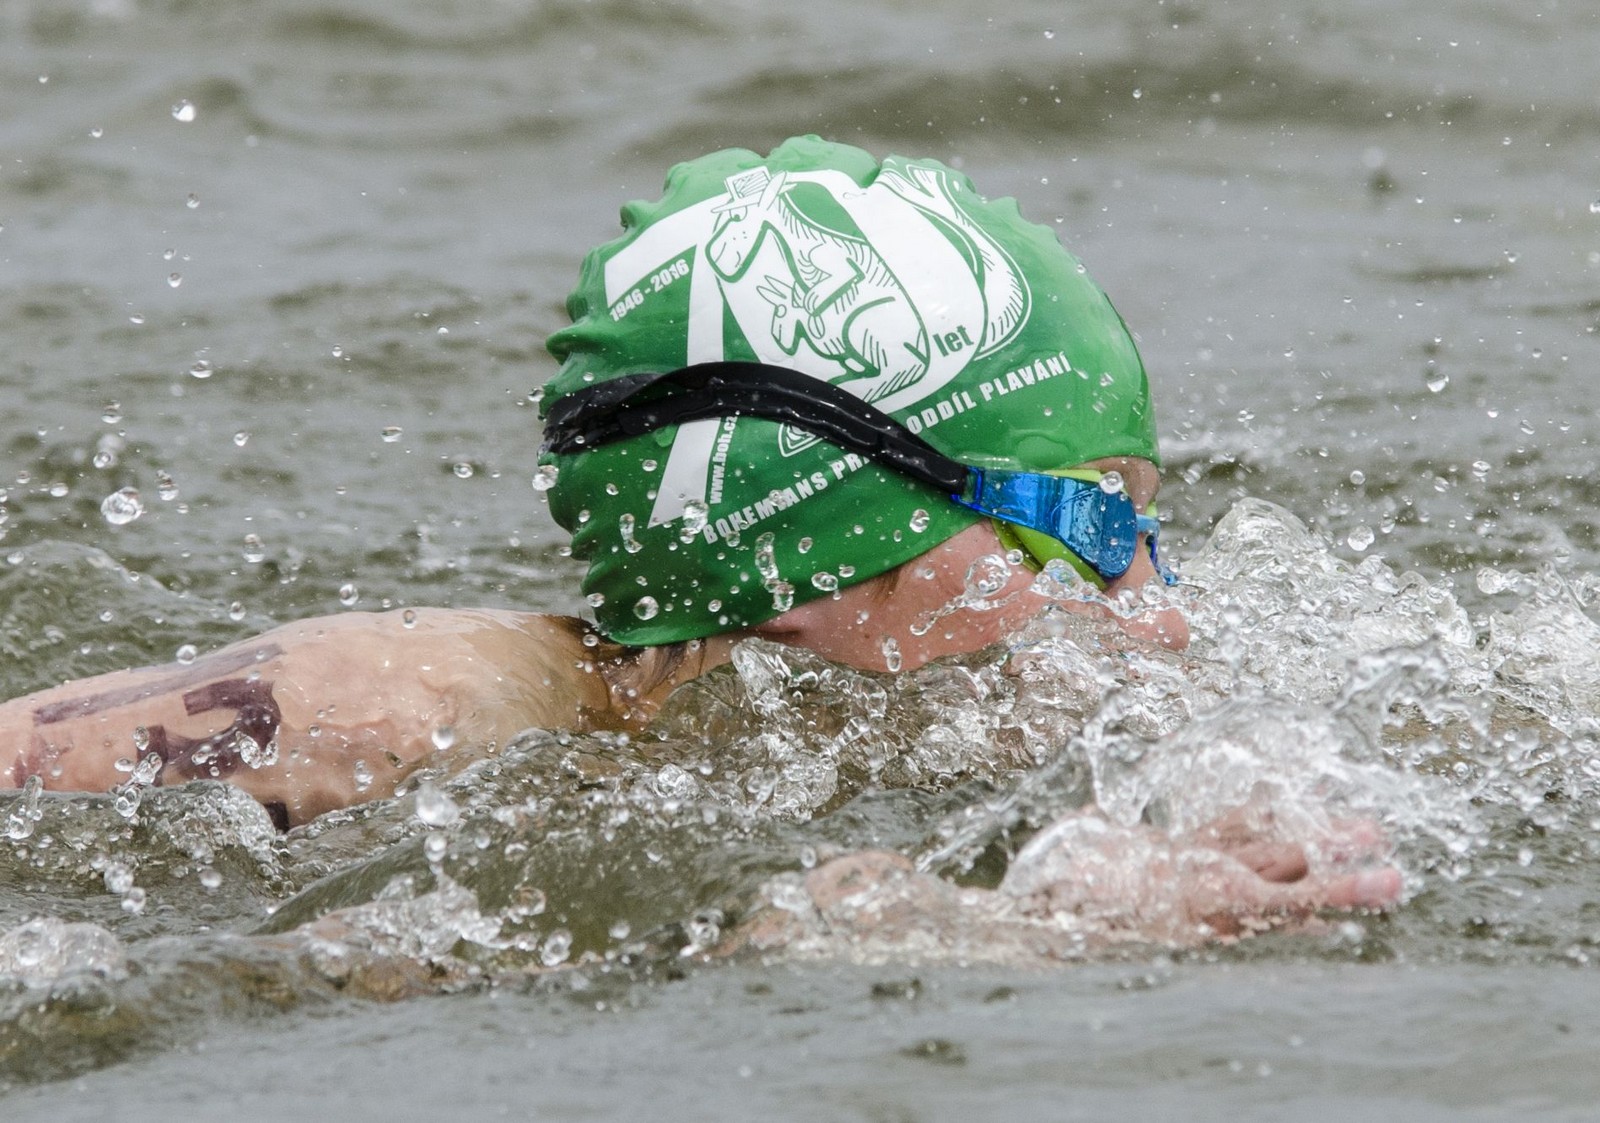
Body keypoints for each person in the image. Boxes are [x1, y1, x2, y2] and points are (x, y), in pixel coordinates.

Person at [0, 137, 1396, 940]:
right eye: (1082, 527)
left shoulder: (835, 738)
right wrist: (1016, 928)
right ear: (806, 557)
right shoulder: (400, 719)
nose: (1159, 609)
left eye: (1146, 524)